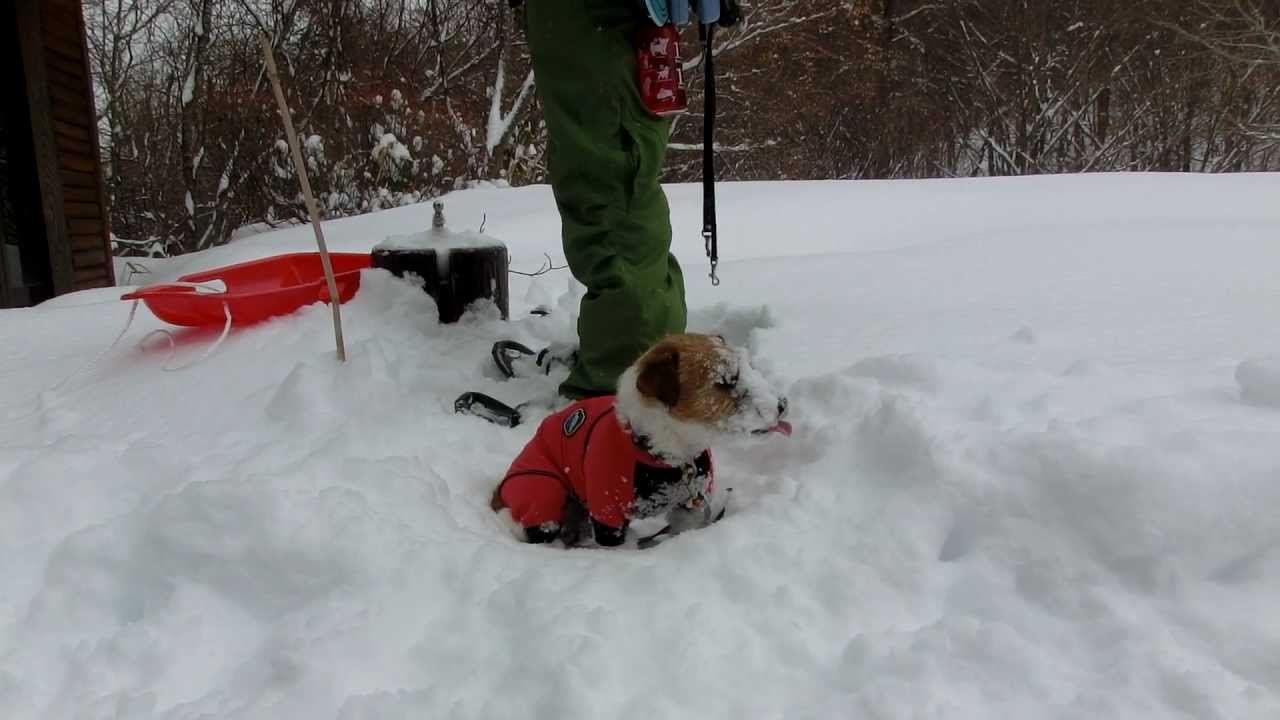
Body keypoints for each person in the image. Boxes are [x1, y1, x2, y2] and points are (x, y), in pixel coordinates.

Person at [510, 1, 738, 401]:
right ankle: (630, 376)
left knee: (612, 189)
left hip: (591, 23)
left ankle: (624, 380)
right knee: (610, 186)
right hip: (590, 22)